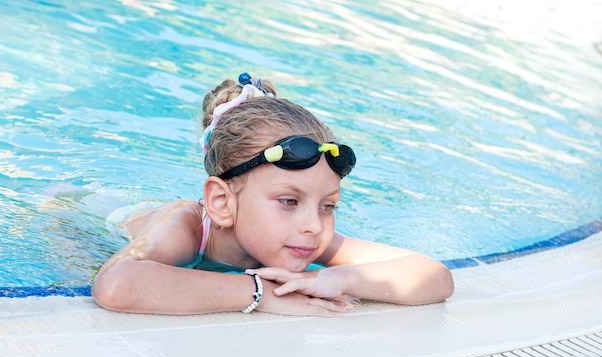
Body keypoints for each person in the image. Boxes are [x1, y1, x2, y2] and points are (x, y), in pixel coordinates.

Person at [92, 73, 454, 317]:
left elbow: (434, 276)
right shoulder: (186, 229)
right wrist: (258, 293)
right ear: (222, 203)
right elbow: (117, 284)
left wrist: (333, 279)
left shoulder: (306, 237)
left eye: (328, 206)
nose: (314, 225)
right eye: (289, 201)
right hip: (95, 219)